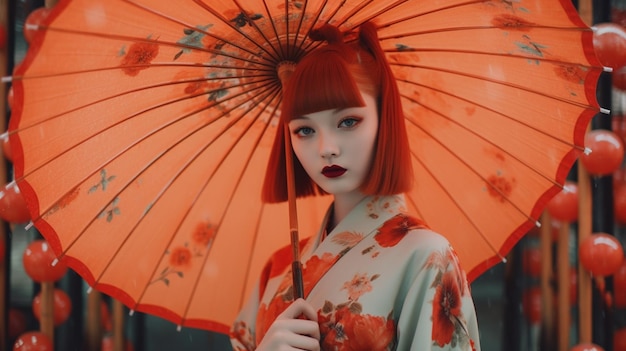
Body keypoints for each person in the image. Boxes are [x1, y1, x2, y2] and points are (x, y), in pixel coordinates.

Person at [230, 22, 481, 351]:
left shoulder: (426, 257)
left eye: (348, 121)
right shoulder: (277, 268)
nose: (326, 148)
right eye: (304, 130)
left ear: (384, 118)